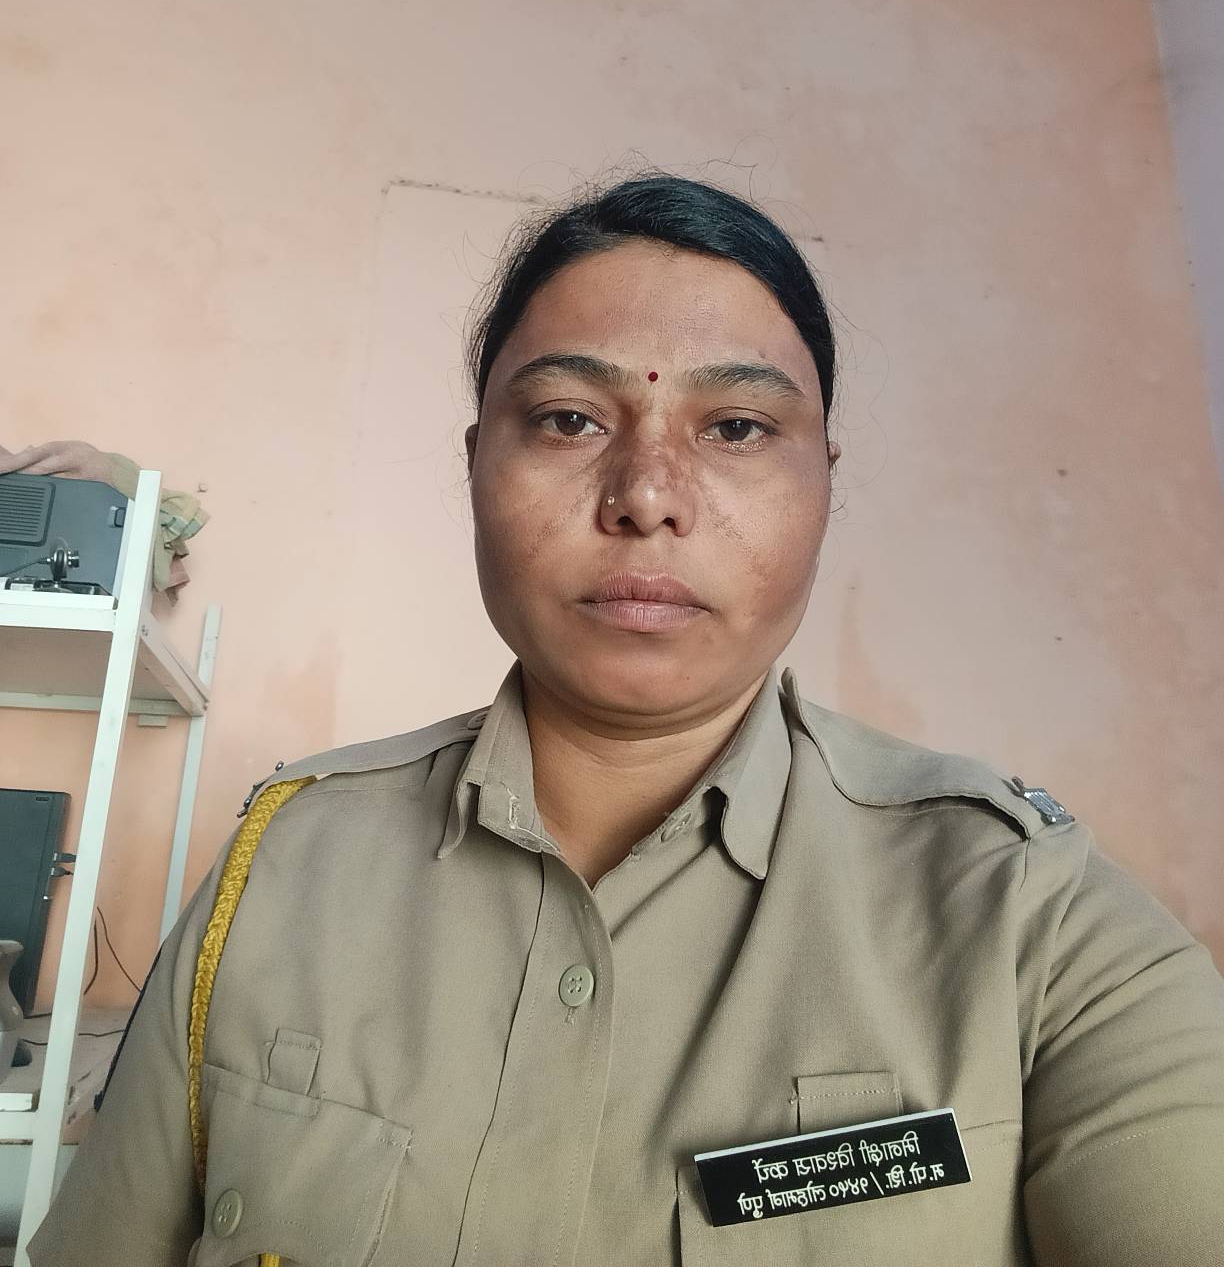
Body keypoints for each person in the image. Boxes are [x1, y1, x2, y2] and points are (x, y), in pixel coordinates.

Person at [29, 172, 1224, 1266]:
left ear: (825, 480)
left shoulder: (1030, 920)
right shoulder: (280, 867)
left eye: (737, 428)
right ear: (475, 465)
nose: (648, 496)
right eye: (568, 419)